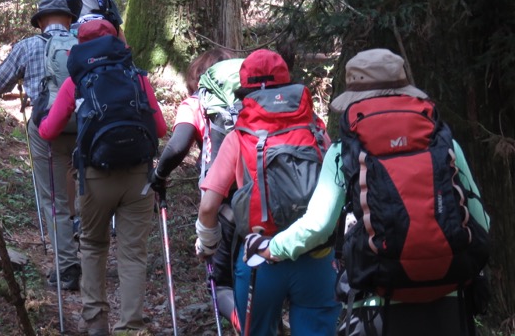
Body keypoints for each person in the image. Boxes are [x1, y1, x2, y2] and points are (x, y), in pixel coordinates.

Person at [255, 48, 491, 336]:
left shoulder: (345, 151)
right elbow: (482, 222)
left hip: (379, 303)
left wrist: (273, 247)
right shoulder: (444, 144)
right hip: (450, 301)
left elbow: (318, 227)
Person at [196, 49, 341, 336]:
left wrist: (208, 243)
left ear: (245, 87)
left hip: (259, 257)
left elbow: (209, 205)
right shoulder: (315, 128)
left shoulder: (240, 135)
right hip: (315, 255)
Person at [39, 19, 167, 336]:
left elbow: (49, 131)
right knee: (133, 253)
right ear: (115, 41)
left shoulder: (77, 80)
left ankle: (95, 321)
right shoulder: (137, 77)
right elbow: (161, 129)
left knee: (94, 246)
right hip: (139, 176)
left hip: (95, 177)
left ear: (79, 44)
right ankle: (130, 326)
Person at [0, 0, 81, 290]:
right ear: (69, 20)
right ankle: (93, 259)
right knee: (90, 195)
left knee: (54, 199)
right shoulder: (85, 46)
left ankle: (67, 267)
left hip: (46, 130)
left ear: (41, 22)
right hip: (87, 127)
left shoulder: (27, 46)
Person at [149, 47, 243, 331]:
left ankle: (250, 324)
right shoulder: (257, 102)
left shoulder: (197, 102)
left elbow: (177, 146)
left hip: (224, 199)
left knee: (222, 281)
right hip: (267, 195)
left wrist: (159, 175)